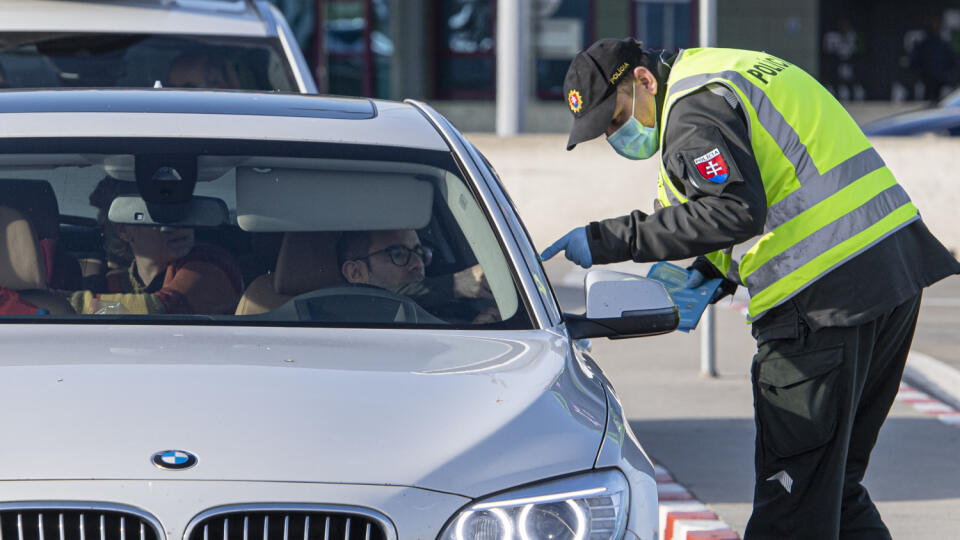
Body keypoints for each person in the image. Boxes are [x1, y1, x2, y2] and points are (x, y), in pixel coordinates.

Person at [542, 38, 960, 539]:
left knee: (792, 504)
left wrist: (611, 238)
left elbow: (734, 210)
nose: (617, 136)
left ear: (645, 81)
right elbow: (777, 190)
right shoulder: (724, 73)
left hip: (823, 304)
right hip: (890, 278)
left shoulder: (693, 112)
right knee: (833, 489)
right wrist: (714, 273)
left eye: (616, 119)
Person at [69, 177, 242, 315]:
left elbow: (160, 309)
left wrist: (65, 303)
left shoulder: (213, 264)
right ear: (123, 229)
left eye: (183, 209)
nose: (179, 223)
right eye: (158, 213)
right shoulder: (113, 283)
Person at [338, 229, 499, 323]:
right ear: (355, 273)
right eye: (398, 253)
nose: (418, 263)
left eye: (420, 252)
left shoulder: (443, 310)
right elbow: (382, 300)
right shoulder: (335, 317)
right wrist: (456, 284)